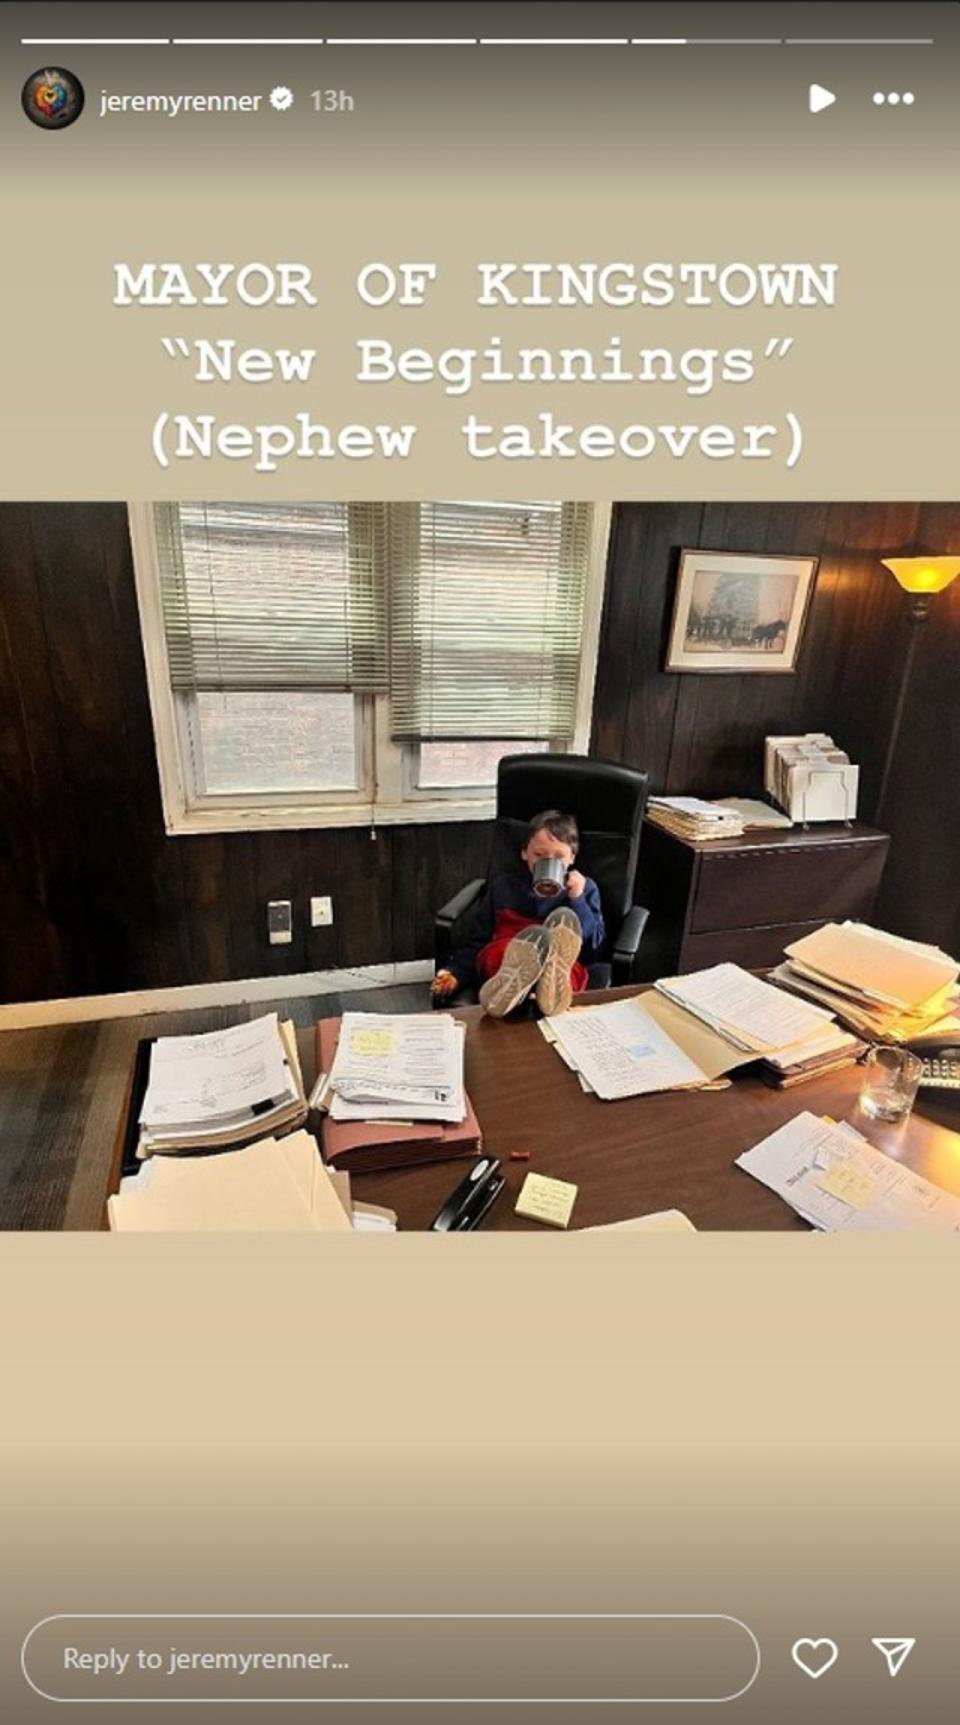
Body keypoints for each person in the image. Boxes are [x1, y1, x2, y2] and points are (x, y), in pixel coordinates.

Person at [431, 808, 605, 1017]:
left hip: (559, 958)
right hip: (510, 947)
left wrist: (577, 899)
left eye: (559, 857)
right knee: (502, 952)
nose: (548, 862)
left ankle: (546, 992)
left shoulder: (584, 889)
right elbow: (478, 941)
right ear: (525, 853)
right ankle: (512, 988)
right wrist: (455, 972)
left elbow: (594, 945)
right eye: (540, 855)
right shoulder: (504, 886)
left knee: (569, 968)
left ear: (572, 858)